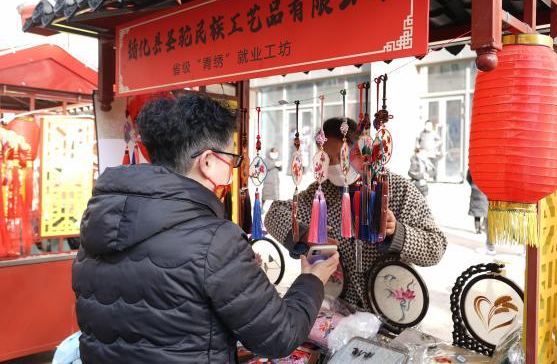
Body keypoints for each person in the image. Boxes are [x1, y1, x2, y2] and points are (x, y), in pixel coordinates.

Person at [72, 93, 339, 363]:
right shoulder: (215, 240)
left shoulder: (99, 220)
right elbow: (280, 336)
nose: (232, 171)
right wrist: (312, 280)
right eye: (232, 160)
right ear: (208, 161)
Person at [265, 118, 447, 310]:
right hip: (339, 307)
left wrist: (397, 233)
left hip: (393, 307)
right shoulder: (321, 193)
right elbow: (275, 213)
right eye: (328, 159)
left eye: (341, 156)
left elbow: (436, 246)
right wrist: (305, 235)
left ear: (360, 153)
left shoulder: (397, 189)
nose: (335, 165)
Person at [466, 169, 495, 255]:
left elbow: (468, 177)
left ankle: (489, 245)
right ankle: (490, 245)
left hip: (477, 189)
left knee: (481, 213)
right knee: (488, 215)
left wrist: (473, 184)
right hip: (491, 192)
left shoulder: (476, 162)